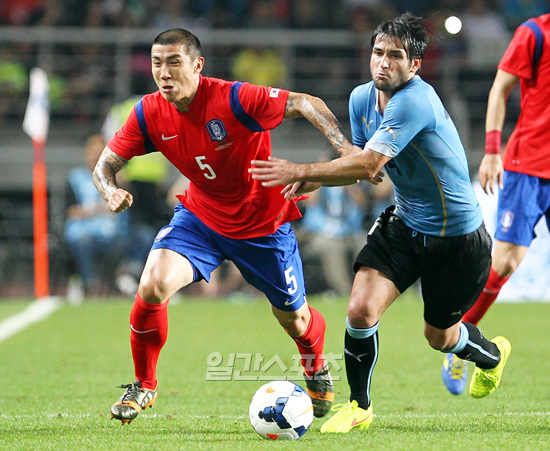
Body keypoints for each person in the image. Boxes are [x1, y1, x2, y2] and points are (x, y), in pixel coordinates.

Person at [92, 28, 382, 424]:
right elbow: (104, 164)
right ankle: (144, 385)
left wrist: (344, 147)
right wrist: (109, 191)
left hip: (262, 225)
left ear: (197, 65)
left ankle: (315, 365)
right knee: (152, 284)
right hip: (201, 218)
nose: (164, 73)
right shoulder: (148, 111)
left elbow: (305, 102)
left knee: (295, 320)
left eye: (174, 62)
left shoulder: (233, 98)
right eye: (158, 63)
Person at [250, 13, 511, 433]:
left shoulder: (417, 100)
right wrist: (315, 179)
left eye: (395, 55)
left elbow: (371, 161)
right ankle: (360, 407)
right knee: (359, 309)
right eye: (377, 52)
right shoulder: (360, 99)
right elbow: (362, 168)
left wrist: (302, 171)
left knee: (439, 337)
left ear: (415, 65)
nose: (383, 63)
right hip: (405, 222)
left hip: (457, 237)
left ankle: (491, 356)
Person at [441, 14, 550, 395]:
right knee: (504, 262)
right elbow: (500, 89)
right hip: (529, 168)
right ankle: (459, 344)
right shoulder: (534, 34)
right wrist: (491, 151)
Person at [64, 134, 130, 296]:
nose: (95, 155)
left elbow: (130, 203)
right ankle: (89, 283)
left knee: (141, 237)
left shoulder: (115, 177)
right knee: (83, 242)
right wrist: (92, 211)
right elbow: (70, 210)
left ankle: (126, 278)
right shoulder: (75, 178)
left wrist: (122, 180)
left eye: (100, 151)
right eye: (92, 151)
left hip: (111, 231)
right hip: (83, 230)